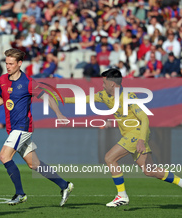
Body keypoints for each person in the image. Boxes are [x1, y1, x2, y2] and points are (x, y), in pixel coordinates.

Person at [64, 68, 182, 207]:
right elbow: (83, 99)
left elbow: (144, 119)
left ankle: (122, 196)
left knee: (109, 158)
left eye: (104, 82)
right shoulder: (104, 95)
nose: (102, 85)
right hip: (131, 135)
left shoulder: (129, 97)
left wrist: (141, 140)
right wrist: (62, 99)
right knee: (149, 170)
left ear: (112, 84)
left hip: (137, 134)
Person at [0, 48, 73, 206]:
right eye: (6, 63)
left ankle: (20, 194)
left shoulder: (28, 82)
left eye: (11, 63)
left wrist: (59, 114)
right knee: (34, 164)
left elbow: (47, 95)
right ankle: (65, 185)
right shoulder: (3, 79)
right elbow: (1, 97)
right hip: (12, 128)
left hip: (22, 127)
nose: (8, 66)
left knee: (4, 156)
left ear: (20, 63)